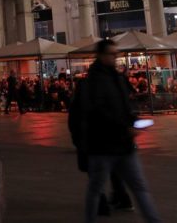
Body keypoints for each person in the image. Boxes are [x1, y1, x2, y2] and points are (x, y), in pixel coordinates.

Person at [77, 40, 161, 223]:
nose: (115, 57)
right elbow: (98, 112)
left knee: (140, 187)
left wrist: (134, 121)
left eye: (116, 54)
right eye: (111, 54)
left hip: (124, 145)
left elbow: (124, 106)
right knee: (95, 189)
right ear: (100, 55)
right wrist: (125, 126)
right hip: (102, 147)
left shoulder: (117, 77)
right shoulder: (93, 81)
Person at [69, 76, 133, 216]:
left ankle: (103, 204)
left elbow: (74, 123)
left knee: (95, 176)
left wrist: (78, 141)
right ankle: (121, 198)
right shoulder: (100, 98)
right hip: (106, 143)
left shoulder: (80, 103)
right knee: (112, 172)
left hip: (92, 144)